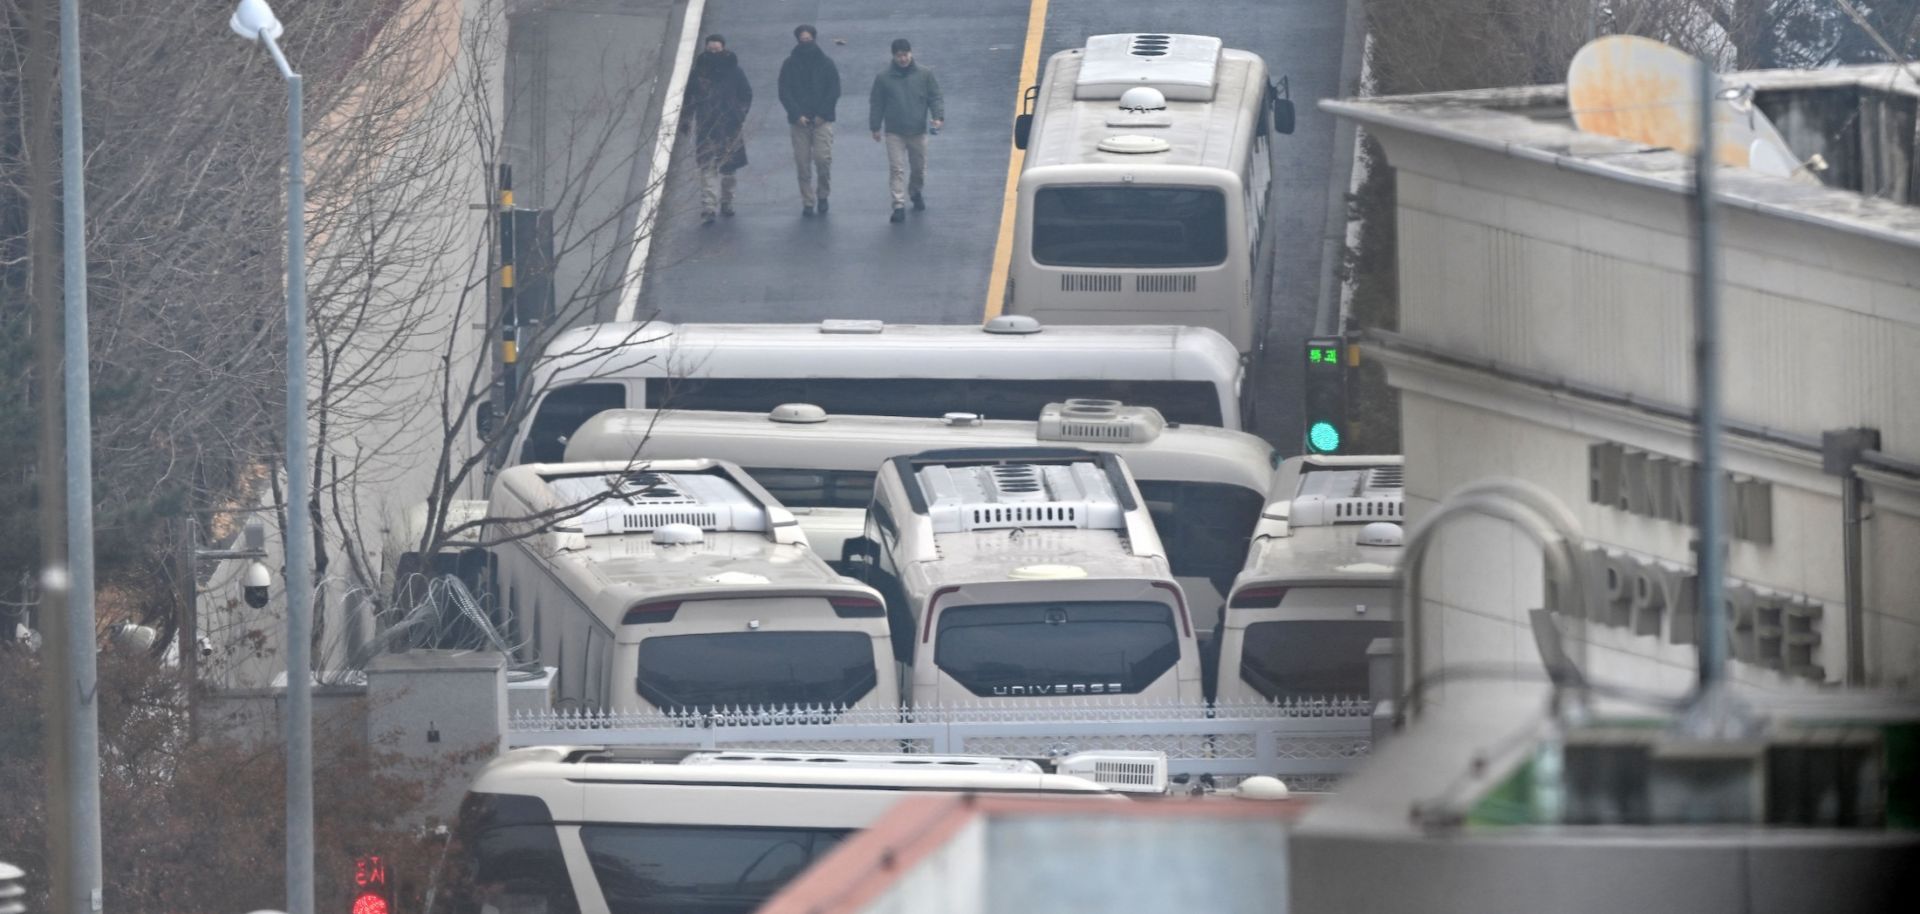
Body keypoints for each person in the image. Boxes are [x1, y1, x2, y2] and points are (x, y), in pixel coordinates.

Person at [868, 38, 943, 224]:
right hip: (894, 132)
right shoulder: (883, 78)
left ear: (911, 53)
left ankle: (915, 191)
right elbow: (877, 103)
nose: (903, 59)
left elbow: (935, 97)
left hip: (918, 130)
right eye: (899, 55)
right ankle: (898, 205)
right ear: (893, 56)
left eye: (905, 54)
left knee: (919, 169)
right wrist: (875, 126)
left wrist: (938, 117)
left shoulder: (925, 74)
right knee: (897, 169)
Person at [681, 34, 752, 224]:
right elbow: (689, 98)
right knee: (707, 167)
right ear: (706, 48)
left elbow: (746, 94)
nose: (713, 53)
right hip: (706, 126)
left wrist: (739, 115)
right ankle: (709, 207)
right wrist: (686, 119)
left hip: (730, 126)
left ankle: (727, 202)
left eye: (717, 50)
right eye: (710, 49)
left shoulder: (735, 71)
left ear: (723, 48)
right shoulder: (698, 72)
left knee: (729, 169)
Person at [778, 24, 841, 218]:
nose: (805, 42)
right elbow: (784, 92)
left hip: (822, 121)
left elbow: (834, 91)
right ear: (797, 39)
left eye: (808, 38)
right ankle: (807, 200)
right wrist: (796, 115)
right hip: (799, 123)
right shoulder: (789, 64)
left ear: (814, 38)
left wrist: (823, 114)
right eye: (802, 39)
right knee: (802, 164)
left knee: (823, 160)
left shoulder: (826, 63)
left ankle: (823, 194)